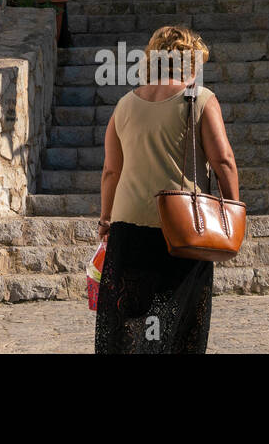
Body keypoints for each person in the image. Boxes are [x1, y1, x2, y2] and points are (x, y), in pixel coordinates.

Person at [95, 25, 239, 355]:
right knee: (182, 324)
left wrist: (105, 220)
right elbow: (224, 160)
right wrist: (230, 209)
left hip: (128, 227)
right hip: (183, 229)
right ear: (188, 62)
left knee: (127, 324)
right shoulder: (201, 99)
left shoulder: (124, 105)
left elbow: (110, 171)